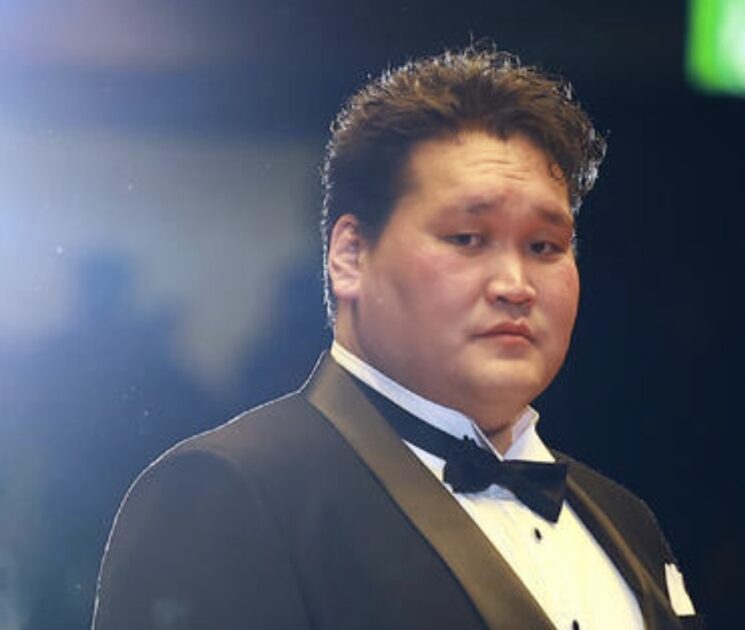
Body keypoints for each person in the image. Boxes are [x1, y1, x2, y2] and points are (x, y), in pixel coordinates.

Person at [92, 46, 701, 630]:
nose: (516, 285)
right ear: (350, 256)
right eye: (467, 238)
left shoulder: (626, 521)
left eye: (545, 246)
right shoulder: (231, 492)